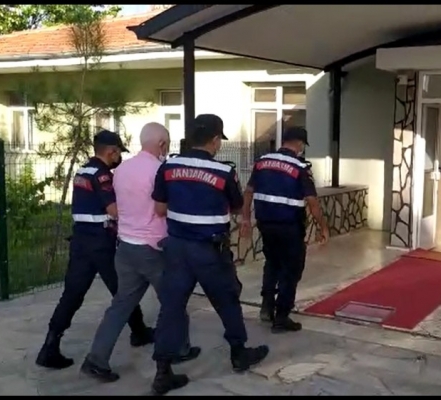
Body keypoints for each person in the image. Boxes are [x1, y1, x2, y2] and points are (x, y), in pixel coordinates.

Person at [150, 114, 269, 395]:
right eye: (219, 141)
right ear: (215, 140)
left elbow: (159, 209)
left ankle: (162, 372)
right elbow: (237, 207)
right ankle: (239, 353)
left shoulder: (168, 167)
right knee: (227, 300)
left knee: (171, 307)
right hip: (209, 251)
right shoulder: (223, 172)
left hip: (177, 248)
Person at [81, 123, 200, 383]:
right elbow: (163, 208)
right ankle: (179, 350)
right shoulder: (161, 170)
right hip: (152, 248)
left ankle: (96, 359)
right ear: (161, 144)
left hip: (125, 246)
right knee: (173, 302)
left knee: (120, 306)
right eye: (166, 143)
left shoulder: (121, 169)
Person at [35, 130, 154, 370]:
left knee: (72, 294)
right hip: (101, 243)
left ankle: (49, 346)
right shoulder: (102, 175)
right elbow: (114, 210)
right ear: (111, 151)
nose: (119, 157)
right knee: (124, 290)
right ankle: (139, 332)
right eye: (118, 152)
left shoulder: (83, 171)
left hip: (81, 242)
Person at [240, 126, 329, 333]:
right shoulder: (300, 167)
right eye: (302, 145)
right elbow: (312, 202)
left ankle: (266, 307)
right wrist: (323, 227)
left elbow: (248, 191)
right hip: (290, 227)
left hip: (265, 224)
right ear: (299, 143)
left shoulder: (261, 162)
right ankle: (281, 317)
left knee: (272, 263)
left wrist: (245, 218)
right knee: (291, 270)